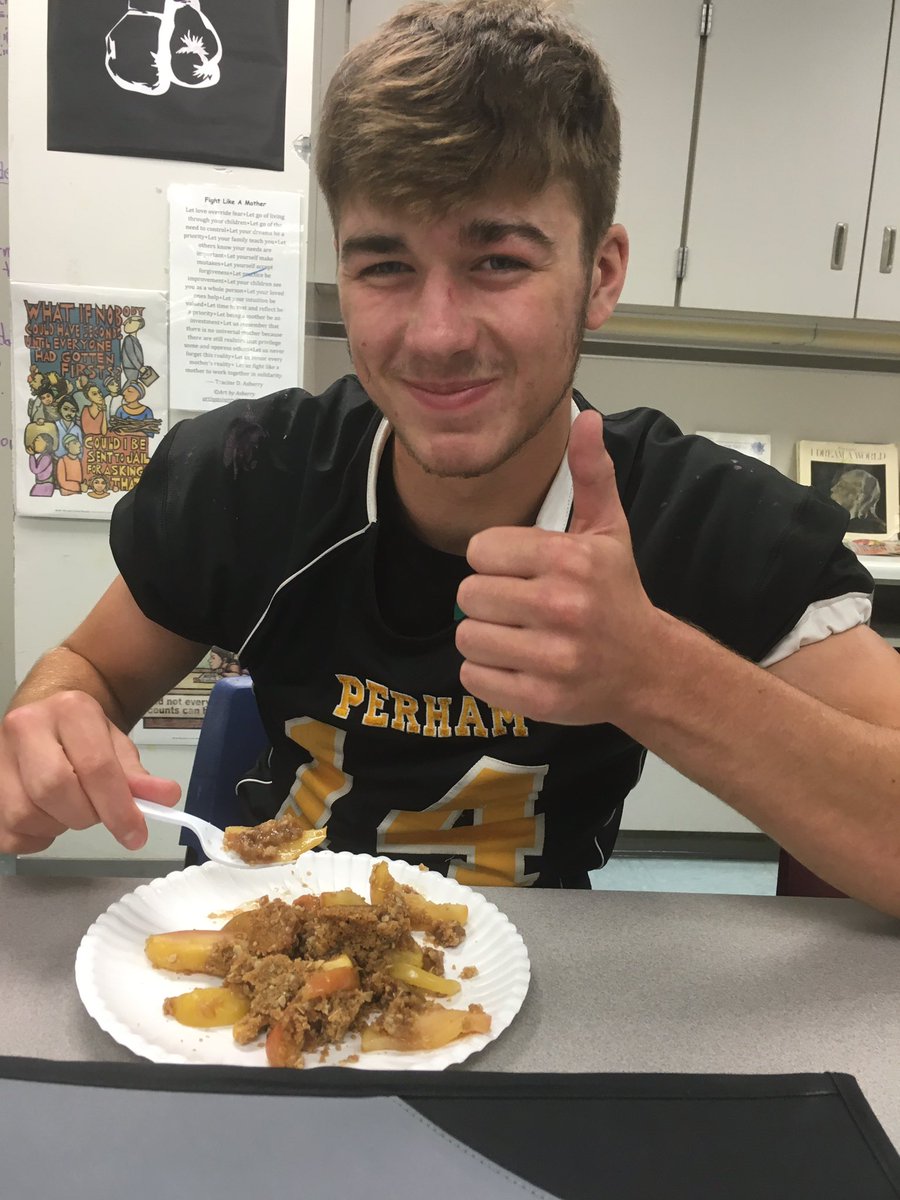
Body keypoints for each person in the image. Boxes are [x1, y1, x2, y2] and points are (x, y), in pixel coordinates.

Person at [2, 1, 899, 911]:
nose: (433, 337)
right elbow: (89, 672)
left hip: (553, 987)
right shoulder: (250, 472)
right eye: (385, 265)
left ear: (601, 274)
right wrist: (51, 725)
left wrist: (653, 671)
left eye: (499, 260)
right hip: (266, 958)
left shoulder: (700, 515)